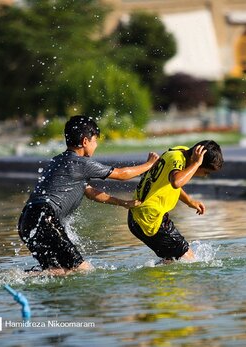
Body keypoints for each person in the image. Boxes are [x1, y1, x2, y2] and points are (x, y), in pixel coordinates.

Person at [18, 115, 159, 275]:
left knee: (59, 272)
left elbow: (91, 192)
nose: (96, 145)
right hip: (45, 219)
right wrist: (149, 164)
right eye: (95, 141)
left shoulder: (57, 161)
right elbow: (121, 174)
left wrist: (122, 203)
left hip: (26, 220)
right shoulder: (81, 163)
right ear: (85, 141)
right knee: (85, 271)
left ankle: (15, 277)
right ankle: (11, 278)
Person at [127, 140, 223, 262]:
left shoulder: (179, 152)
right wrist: (196, 164)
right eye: (206, 171)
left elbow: (169, 185)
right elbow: (176, 182)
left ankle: (151, 279)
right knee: (189, 260)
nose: (205, 175)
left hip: (138, 216)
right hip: (149, 219)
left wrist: (189, 201)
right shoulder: (178, 160)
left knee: (171, 260)